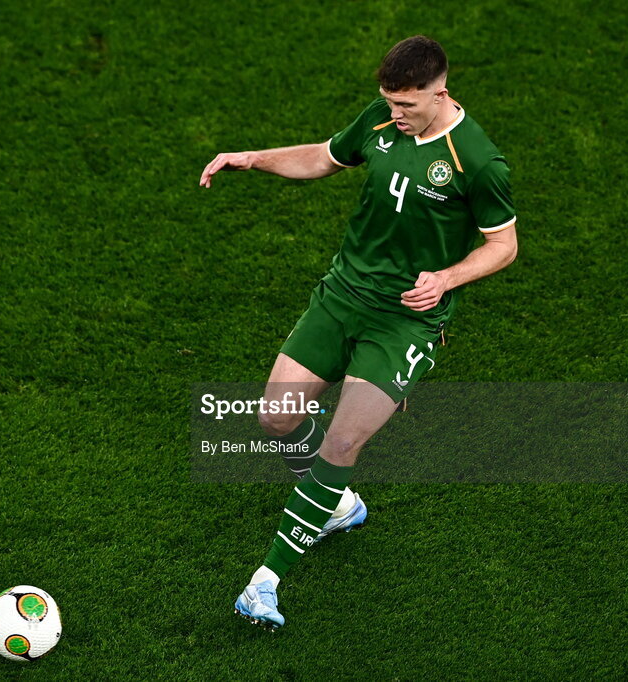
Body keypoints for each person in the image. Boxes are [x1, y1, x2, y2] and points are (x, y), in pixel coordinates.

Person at [199, 35, 518, 630]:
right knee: (275, 418)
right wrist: (252, 157)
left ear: (439, 92)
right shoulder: (380, 120)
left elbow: (504, 245)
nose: (395, 115)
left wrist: (447, 278)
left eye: (407, 105)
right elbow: (322, 157)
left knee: (340, 444)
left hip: (404, 321)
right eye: (389, 102)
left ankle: (264, 582)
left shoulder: (477, 160)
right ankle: (335, 504)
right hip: (342, 295)